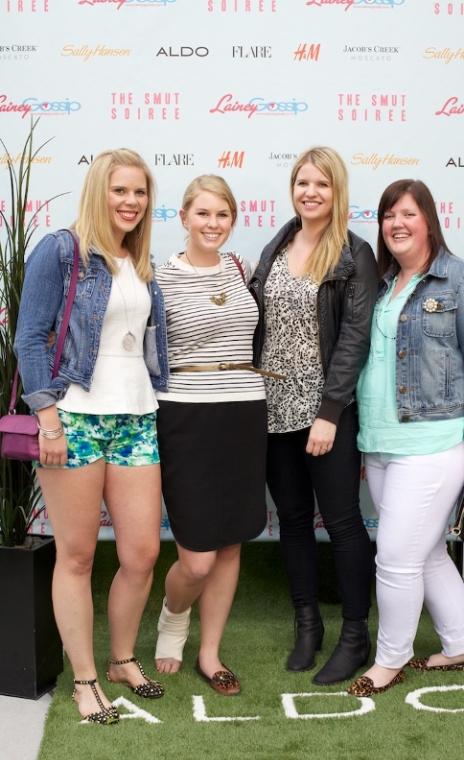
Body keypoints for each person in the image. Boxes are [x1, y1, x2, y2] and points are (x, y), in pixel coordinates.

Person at [14, 149, 169, 724]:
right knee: (77, 556)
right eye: (119, 190)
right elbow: (29, 337)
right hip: (74, 418)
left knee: (142, 553)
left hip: (136, 416)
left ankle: (122, 659)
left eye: (140, 192)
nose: (131, 201)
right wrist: (47, 419)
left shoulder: (139, 260)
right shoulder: (62, 249)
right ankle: (84, 680)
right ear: (98, 190)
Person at [347, 179, 464, 697]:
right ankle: (460, 645)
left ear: (429, 220)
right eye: (389, 215)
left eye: (408, 214)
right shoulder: (382, 283)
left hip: (433, 443)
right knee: (427, 552)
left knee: (395, 559)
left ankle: (390, 660)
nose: (397, 224)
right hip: (381, 442)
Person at [249, 146, 379, 685]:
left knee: (343, 522)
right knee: (293, 520)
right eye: (303, 182)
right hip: (272, 410)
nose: (310, 192)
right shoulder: (277, 245)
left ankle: (355, 634)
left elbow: (354, 338)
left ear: (337, 191)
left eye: (322, 184)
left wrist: (329, 411)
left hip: (328, 410)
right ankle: (308, 626)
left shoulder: (354, 253)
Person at [154, 175, 270, 696]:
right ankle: (173, 617)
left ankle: (210, 653)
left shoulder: (241, 268)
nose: (213, 223)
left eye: (222, 214)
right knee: (196, 559)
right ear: (183, 217)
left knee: (229, 543)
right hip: (186, 416)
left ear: (233, 220)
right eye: (202, 213)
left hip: (244, 412)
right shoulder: (158, 278)